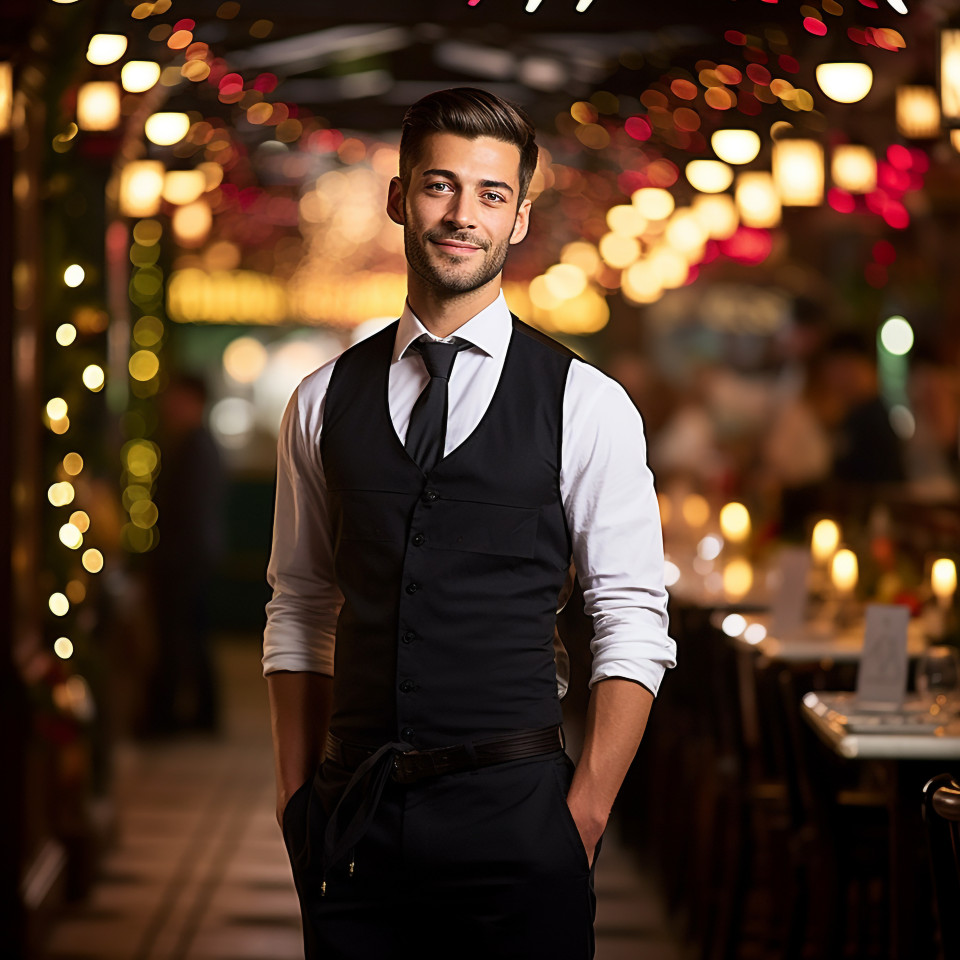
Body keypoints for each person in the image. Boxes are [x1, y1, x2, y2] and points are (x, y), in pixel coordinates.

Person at [262, 87, 675, 960]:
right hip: (353, 821)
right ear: (398, 197)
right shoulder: (320, 400)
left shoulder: (587, 405)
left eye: (490, 195)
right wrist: (295, 794)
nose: (462, 215)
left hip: (520, 822)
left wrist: (584, 815)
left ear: (520, 218)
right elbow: (299, 605)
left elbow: (632, 619)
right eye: (439, 186)